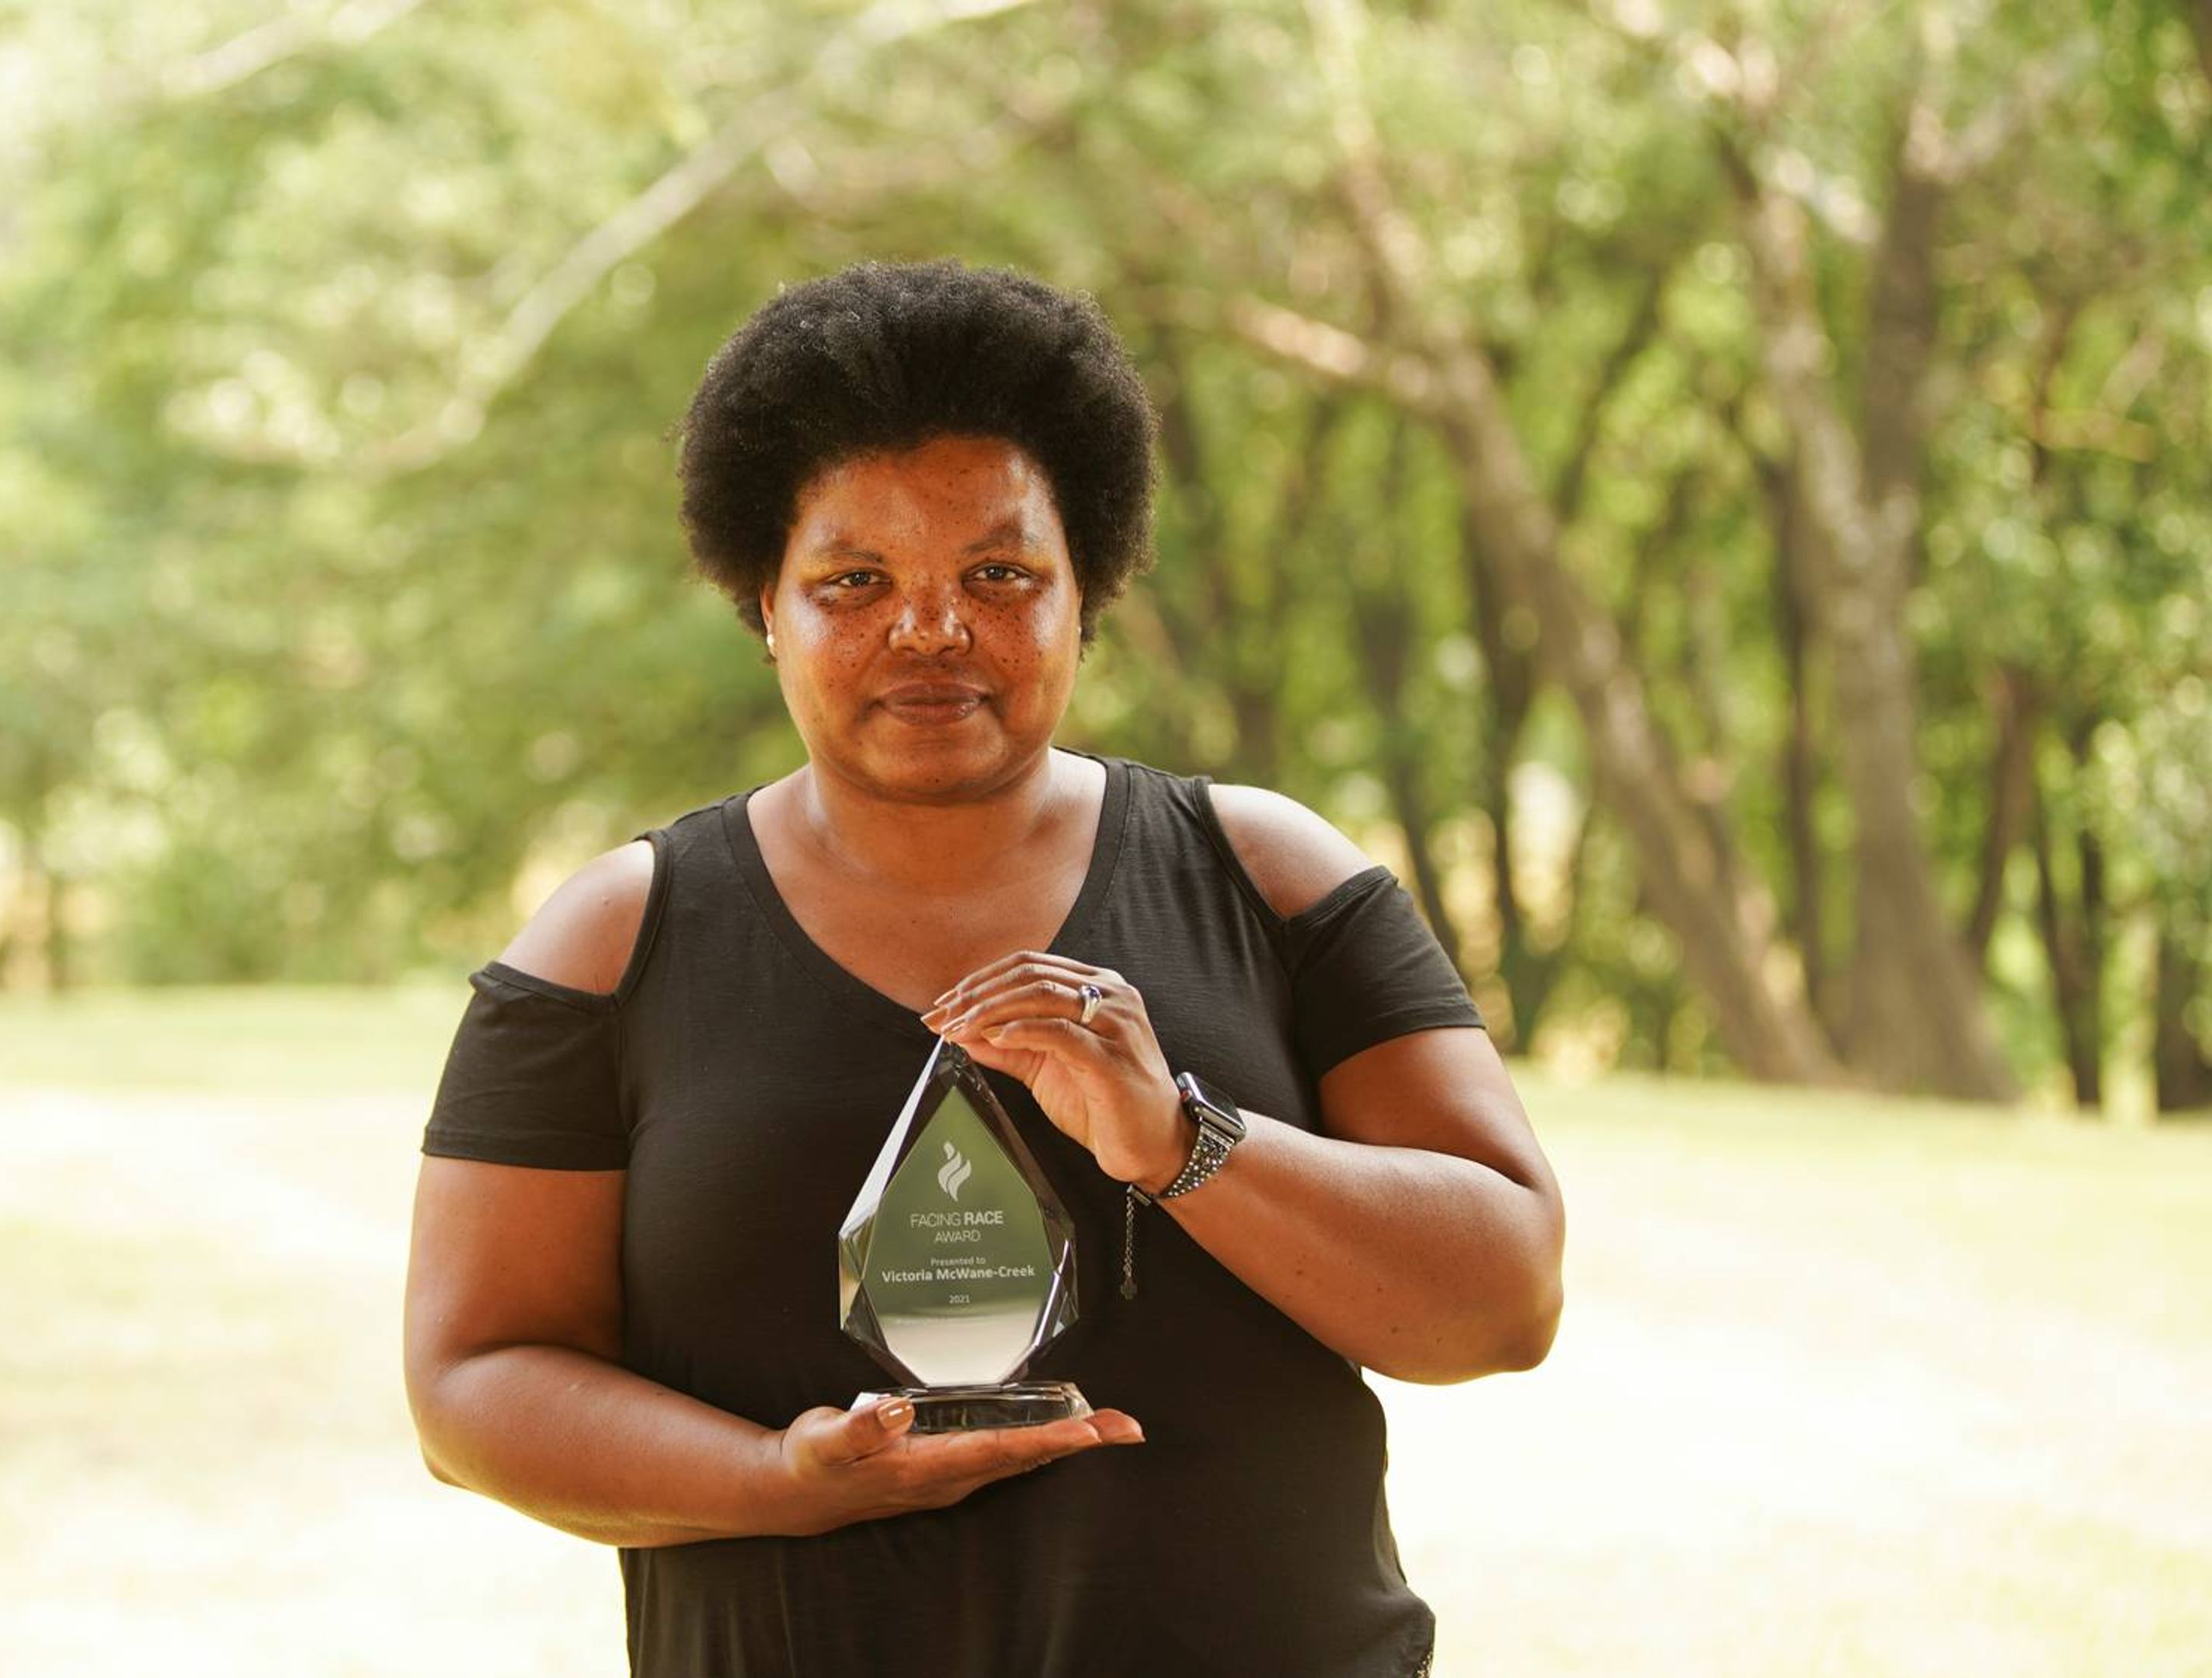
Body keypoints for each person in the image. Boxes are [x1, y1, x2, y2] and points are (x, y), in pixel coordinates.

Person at [403, 259, 1564, 1677]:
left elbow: (1506, 1303)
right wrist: (777, 1478)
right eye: (854, 581)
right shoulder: (612, 941)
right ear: (764, 604)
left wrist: (1183, 1141)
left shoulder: (1269, 879)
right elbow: (467, 1387)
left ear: (1091, 596)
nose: (931, 629)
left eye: (1000, 575)